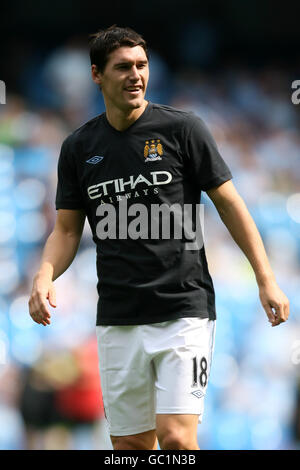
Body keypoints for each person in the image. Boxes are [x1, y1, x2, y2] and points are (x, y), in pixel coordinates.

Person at [28, 25, 290, 450]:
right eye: (123, 67)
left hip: (182, 308)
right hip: (118, 316)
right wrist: (45, 274)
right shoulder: (79, 147)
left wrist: (265, 278)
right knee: (131, 448)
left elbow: (230, 204)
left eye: (142, 65)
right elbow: (67, 228)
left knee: (177, 441)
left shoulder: (183, 129)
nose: (136, 75)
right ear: (97, 74)